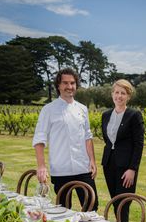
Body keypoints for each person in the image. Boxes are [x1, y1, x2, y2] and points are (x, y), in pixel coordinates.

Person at [32, 67, 98, 211]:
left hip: (83, 168)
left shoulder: (82, 109)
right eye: (65, 83)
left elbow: (87, 136)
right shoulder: (48, 109)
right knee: (63, 210)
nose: (69, 87)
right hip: (61, 169)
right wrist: (41, 166)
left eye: (72, 83)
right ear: (58, 85)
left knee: (92, 208)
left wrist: (92, 160)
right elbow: (39, 138)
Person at [101, 79, 144, 222]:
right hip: (108, 164)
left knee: (124, 202)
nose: (119, 96)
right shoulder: (105, 115)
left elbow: (139, 144)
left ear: (128, 96)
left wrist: (132, 169)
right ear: (112, 94)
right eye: (117, 92)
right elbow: (108, 140)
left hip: (126, 167)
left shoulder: (134, 115)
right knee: (114, 200)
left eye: (123, 93)